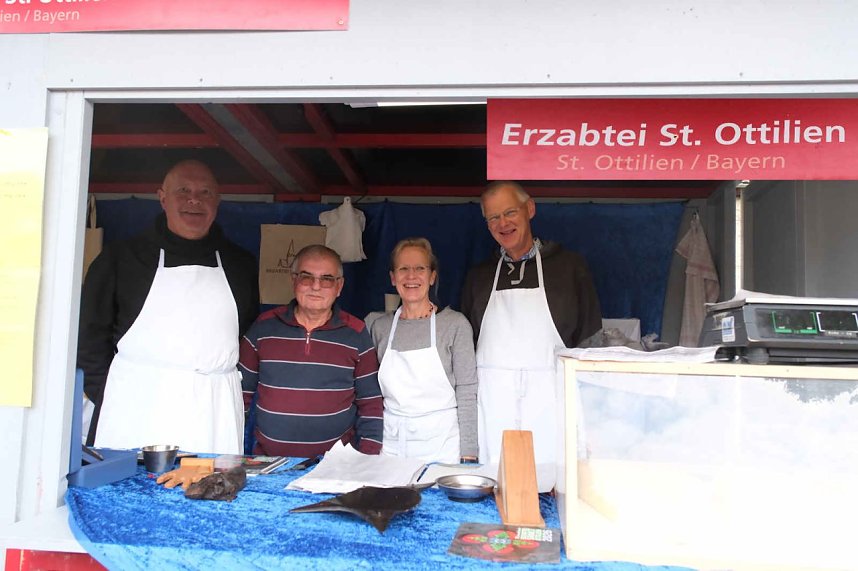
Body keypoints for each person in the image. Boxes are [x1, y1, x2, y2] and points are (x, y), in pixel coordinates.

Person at [77, 159, 259, 454]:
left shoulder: (241, 263)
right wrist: (114, 395)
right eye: (183, 190)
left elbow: (245, 331)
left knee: (211, 481)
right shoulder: (120, 258)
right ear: (162, 198)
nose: (194, 200)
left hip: (214, 409)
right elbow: (89, 338)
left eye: (205, 192)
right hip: (136, 406)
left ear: (218, 200)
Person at [461, 181, 602, 490]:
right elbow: (468, 343)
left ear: (530, 209)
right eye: (493, 217)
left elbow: (588, 341)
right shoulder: (478, 276)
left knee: (551, 484)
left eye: (510, 212)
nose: (503, 223)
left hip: (549, 401)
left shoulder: (569, 267)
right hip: (494, 403)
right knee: (497, 485)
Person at [239, 245, 383, 457]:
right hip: (270, 463)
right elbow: (240, 395)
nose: (316, 286)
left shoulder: (356, 333)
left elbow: (370, 403)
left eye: (327, 279)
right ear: (294, 280)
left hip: (335, 467)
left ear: (339, 286)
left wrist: (367, 458)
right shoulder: (264, 328)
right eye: (307, 277)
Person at [370, 238, 478, 464]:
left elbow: (467, 390)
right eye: (403, 269)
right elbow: (370, 394)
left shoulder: (455, 325)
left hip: (442, 445)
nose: (411, 276)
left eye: (420, 268)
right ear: (393, 278)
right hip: (391, 444)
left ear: (432, 276)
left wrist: (469, 452)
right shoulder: (379, 327)